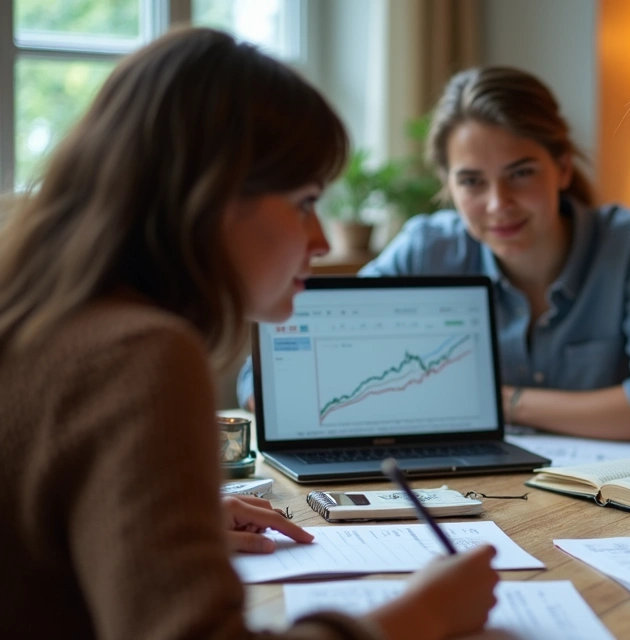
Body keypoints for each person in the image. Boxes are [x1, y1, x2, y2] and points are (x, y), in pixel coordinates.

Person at [0, 28, 499, 639]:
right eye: (305, 201)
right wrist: (418, 615)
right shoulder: (140, 354)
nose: (319, 241)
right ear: (213, 196)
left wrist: (163, 523)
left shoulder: (38, 318)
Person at [237, 66, 630, 442]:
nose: (498, 204)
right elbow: (262, 377)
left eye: (520, 173)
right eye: (471, 182)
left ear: (562, 168)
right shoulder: (427, 249)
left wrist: (497, 401)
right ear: (449, 185)